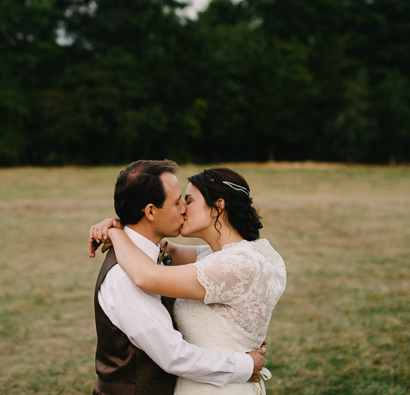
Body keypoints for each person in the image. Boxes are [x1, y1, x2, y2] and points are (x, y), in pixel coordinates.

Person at [90, 166, 286, 394]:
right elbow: (166, 251)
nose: (183, 209)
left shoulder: (235, 264)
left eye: (188, 201)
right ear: (151, 211)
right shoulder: (211, 256)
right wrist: (120, 227)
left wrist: (116, 232)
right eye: (178, 202)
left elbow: (146, 275)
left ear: (218, 208)